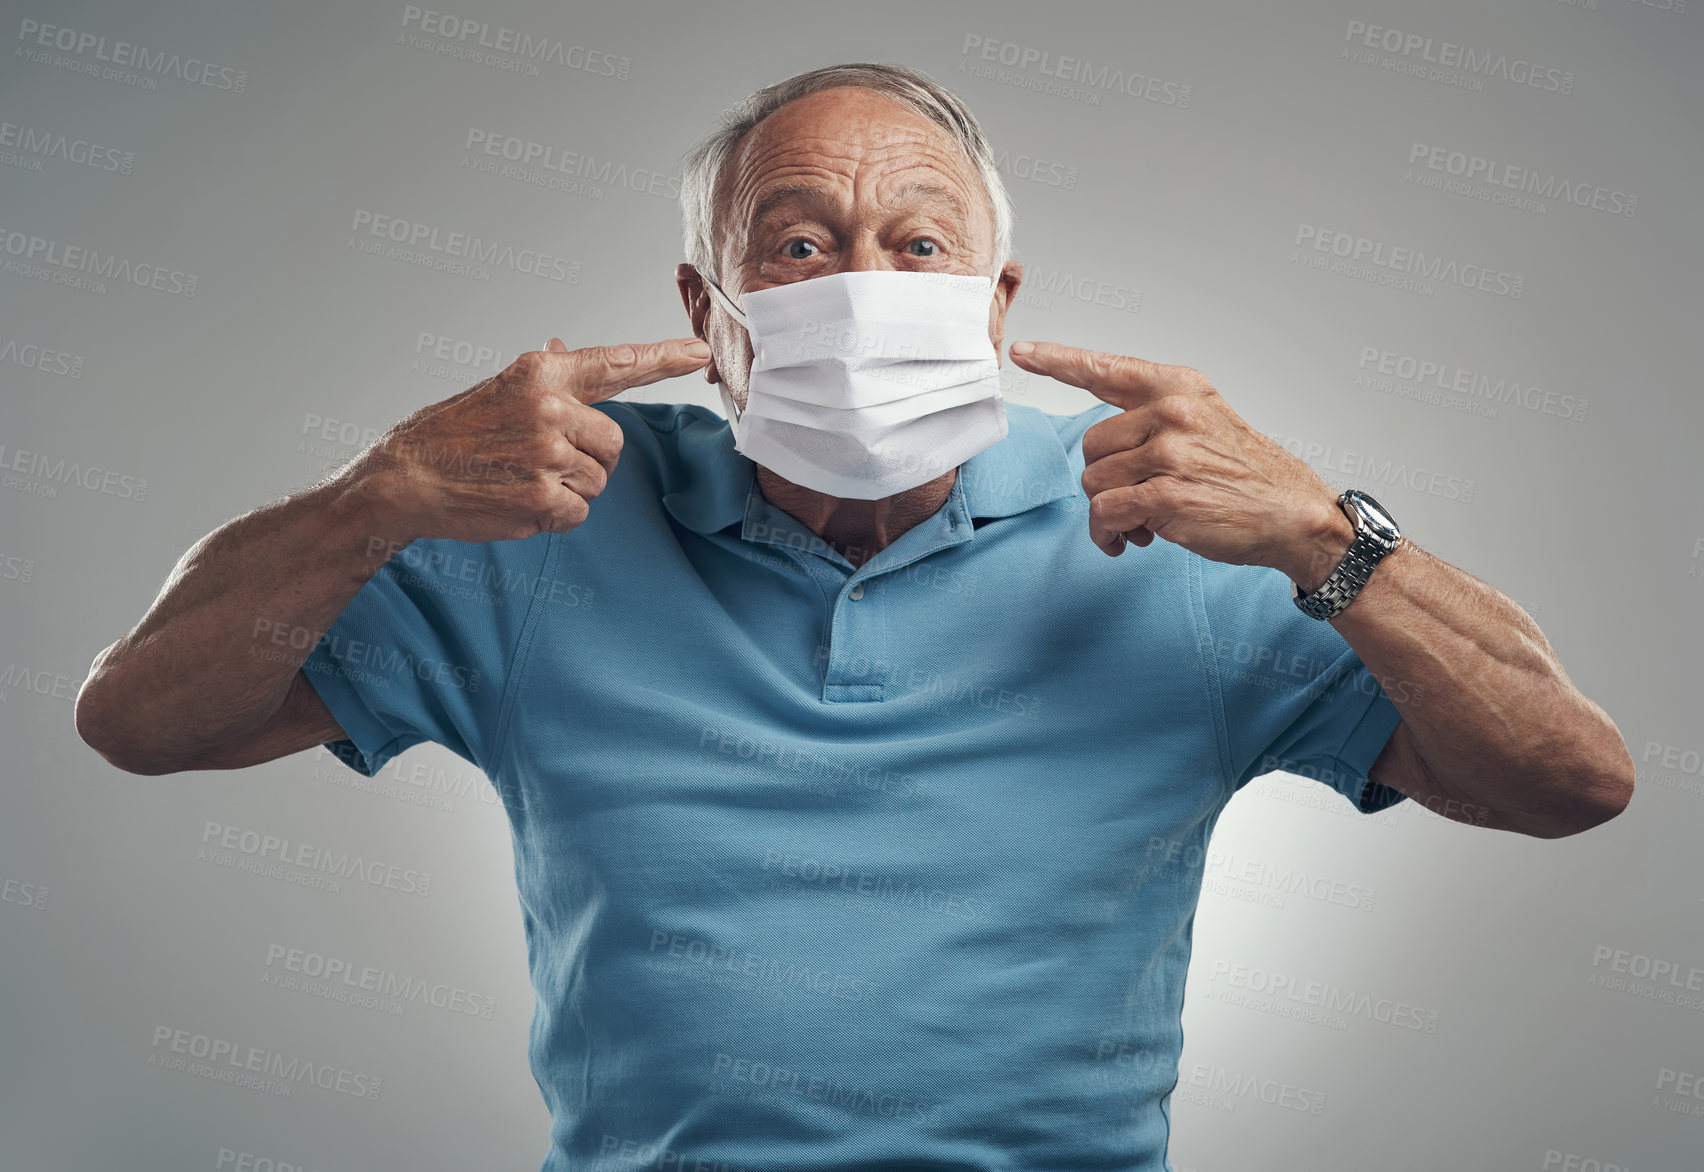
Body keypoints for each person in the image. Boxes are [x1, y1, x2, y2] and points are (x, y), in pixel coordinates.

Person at [76, 62, 1633, 1172]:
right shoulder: (539, 525)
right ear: (711, 312)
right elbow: (144, 724)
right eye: (801, 243)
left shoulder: (1177, 539)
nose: (862, 286)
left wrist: (1318, 531)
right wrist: (376, 497)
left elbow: (1573, 781)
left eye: (920, 245)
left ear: (995, 304)